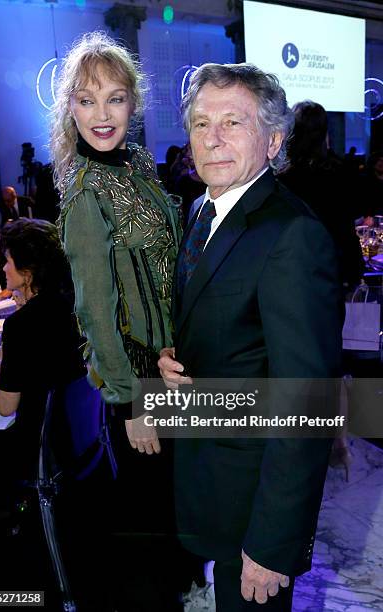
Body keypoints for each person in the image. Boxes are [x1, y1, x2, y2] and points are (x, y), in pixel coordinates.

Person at [158, 63, 342, 611]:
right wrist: (173, 359)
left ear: (274, 139)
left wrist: (272, 542)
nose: (210, 139)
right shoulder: (202, 210)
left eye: (232, 122)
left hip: (255, 511)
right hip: (211, 480)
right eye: (199, 123)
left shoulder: (293, 234)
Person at [50, 31, 184, 611]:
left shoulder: (137, 168)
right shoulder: (85, 193)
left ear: (135, 101)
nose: (101, 115)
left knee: (175, 518)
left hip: (172, 373)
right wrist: (133, 402)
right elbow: (95, 313)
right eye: (85, 99)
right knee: (145, 535)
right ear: (69, 109)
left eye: (114, 98)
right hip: (137, 386)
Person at [0, 218, 87, 606]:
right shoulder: (71, 304)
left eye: (9, 262)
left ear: (27, 272)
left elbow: (4, 406)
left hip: (37, 454)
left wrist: (4, 344)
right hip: (74, 446)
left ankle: (0, 588)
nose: (3, 269)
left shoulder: (21, 324)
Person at [279, 100, 364, 293]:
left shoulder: (281, 175)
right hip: (333, 266)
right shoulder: (340, 172)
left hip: (292, 267)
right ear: (325, 130)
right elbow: (349, 222)